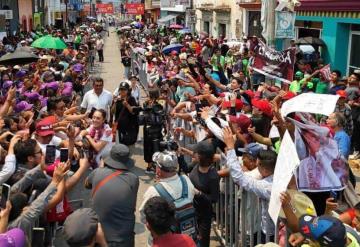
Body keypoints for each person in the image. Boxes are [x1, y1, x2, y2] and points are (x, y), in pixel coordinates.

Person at [223, 126, 277, 244]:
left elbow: (239, 177)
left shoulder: (266, 186)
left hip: (269, 233)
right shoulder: (278, 178)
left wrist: (231, 148)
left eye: (258, 166)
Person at [85, 144, 139, 246]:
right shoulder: (133, 179)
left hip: (100, 236)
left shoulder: (97, 173)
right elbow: (132, 204)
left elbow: (86, 184)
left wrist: (101, 169)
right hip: (124, 238)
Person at [139, 150, 195, 246]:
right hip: (186, 233)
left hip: (161, 240)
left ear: (158, 170)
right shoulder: (186, 180)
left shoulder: (154, 191)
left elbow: (144, 217)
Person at [189, 139, 219, 247]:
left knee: (202, 242)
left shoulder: (213, 175)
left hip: (204, 214)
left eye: (196, 152)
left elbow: (214, 198)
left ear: (202, 156)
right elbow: (186, 168)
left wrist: (200, 194)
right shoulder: (195, 166)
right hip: (192, 210)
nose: (194, 154)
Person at [113, 81, 139, 146]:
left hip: (129, 127)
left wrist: (127, 105)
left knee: (127, 144)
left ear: (128, 90)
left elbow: (134, 112)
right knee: (120, 144)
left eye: (124, 89)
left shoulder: (131, 99)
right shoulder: (117, 99)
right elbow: (112, 112)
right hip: (119, 126)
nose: (122, 91)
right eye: (121, 89)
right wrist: (114, 103)